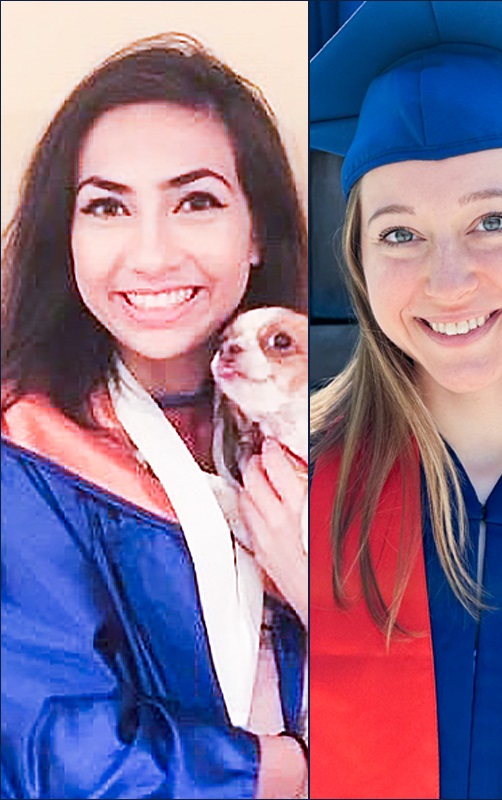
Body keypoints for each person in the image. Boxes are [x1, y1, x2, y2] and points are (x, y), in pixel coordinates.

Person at [304, 2, 502, 797]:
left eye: (491, 221)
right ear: (360, 263)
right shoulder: (282, 481)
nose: (447, 281)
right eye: (399, 234)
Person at [1, 35, 308, 798]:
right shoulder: (28, 450)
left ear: (257, 229)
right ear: (65, 235)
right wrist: (298, 769)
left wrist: (317, 591)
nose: (150, 254)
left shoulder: (340, 428)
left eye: (195, 201)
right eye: (107, 206)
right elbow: (62, 754)